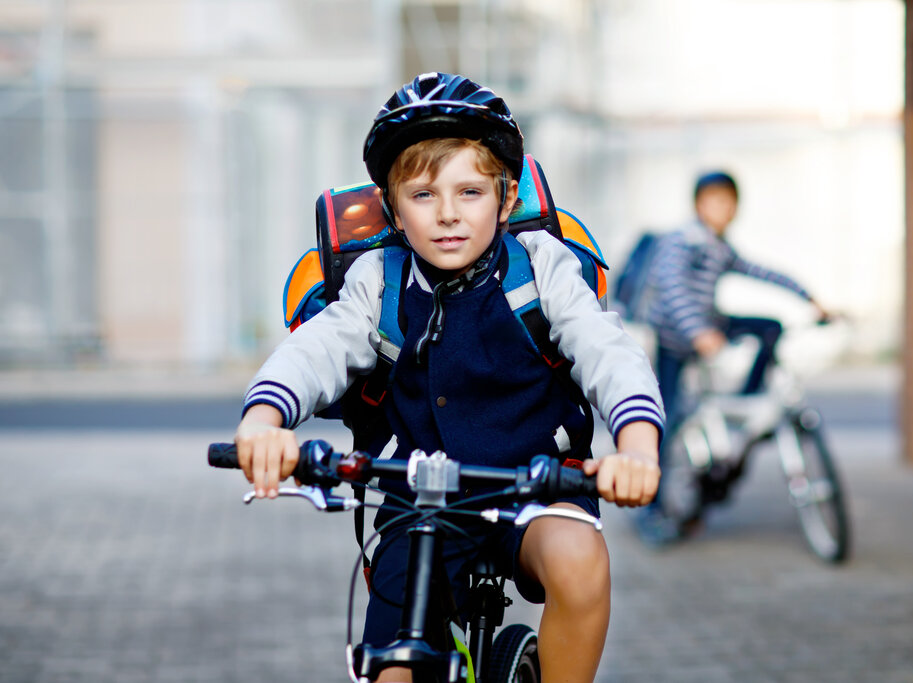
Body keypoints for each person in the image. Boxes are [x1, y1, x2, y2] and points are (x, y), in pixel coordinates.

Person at [232, 73, 664, 683]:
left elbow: (606, 350)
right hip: (420, 497)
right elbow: (318, 349)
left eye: (470, 192)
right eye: (424, 195)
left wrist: (637, 444)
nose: (449, 216)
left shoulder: (540, 269)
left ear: (506, 199)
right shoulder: (377, 280)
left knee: (580, 563)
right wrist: (265, 420)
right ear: (392, 209)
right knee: (394, 663)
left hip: (535, 483)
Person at [638, 170, 829, 543]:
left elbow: (761, 271)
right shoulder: (680, 242)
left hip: (711, 325)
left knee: (769, 327)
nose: (722, 209)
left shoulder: (719, 246)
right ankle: (654, 509)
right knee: (669, 417)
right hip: (677, 340)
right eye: (714, 201)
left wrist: (809, 298)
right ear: (698, 205)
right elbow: (673, 290)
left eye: (729, 203)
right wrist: (699, 333)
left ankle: (747, 396)